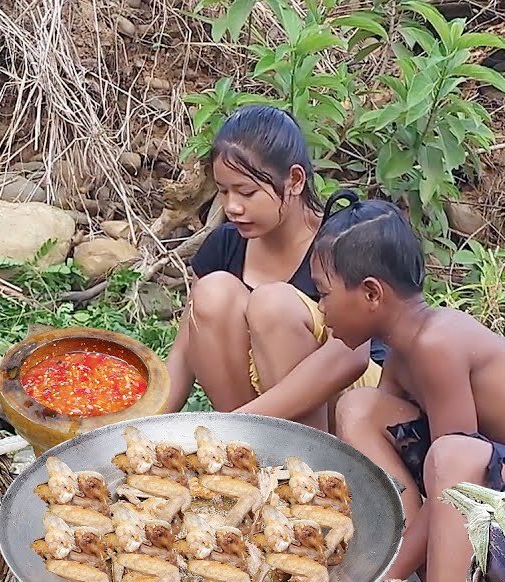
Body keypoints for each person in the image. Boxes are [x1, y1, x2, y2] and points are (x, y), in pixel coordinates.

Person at [311, 190, 505, 582]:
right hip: (493, 470)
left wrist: (385, 573)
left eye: (324, 295)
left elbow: (455, 475)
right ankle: (412, 560)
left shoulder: (437, 343)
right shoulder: (402, 351)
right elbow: (394, 443)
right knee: (360, 408)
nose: (321, 309)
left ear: (370, 294)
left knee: (452, 455)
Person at [163, 105, 384, 431]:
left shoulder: (341, 242)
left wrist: (238, 425)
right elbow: (184, 353)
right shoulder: (224, 245)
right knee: (211, 293)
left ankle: (306, 462)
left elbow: (350, 356)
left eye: (247, 192)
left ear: (294, 180)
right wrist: (136, 432)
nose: (232, 207)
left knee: (273, 305)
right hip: (260, 419)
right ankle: (251, 462)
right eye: (224, 191)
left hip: (354, 408)